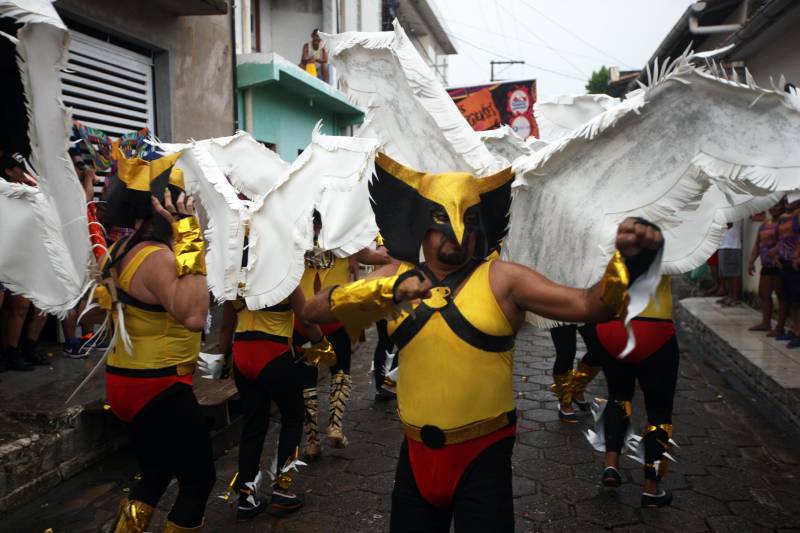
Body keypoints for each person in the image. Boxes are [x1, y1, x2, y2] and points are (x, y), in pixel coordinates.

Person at [303, 153, 664, 531]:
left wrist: (628, 262)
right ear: (420, 223)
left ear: (480, 228)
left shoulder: (504, 279)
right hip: (416, 453)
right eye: (440, 221)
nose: (456, 233)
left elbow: (591, 305)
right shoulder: (395, 275)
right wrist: (387, 291)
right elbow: (313, 311)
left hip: (483, 454)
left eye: (468, 221)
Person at [91, 152, 214, 533]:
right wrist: (190, 235)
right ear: (169, 207)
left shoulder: (120, 252)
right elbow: (194, 317)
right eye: (187, 203)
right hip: (158, 387)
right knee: (198, 481)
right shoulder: (158, 257)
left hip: (126, 382)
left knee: (155, 474)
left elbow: (96, 312)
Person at [219, 286, 334, 520]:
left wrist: (223, 360)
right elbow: (307, 319)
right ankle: (282, 490)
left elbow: (225, 326)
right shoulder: (284, 272)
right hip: (274, 354)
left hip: (242, 356)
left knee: (253, 425)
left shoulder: (234, 276)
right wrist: (324, 345)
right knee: (293, 418)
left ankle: (246, 498)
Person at [296, 211, 391, 460]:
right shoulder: (343, 239)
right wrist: (393, 252)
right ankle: (335, 426)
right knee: (341, 370)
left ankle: (312, 441)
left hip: (303, 320)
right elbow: (375, 257)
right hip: (333, 316)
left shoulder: (295, 241)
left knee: (306, 379)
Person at [589, 275, 679, 508]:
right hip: (653, 327)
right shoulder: (666, 240)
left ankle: (611, 464)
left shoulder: (605, 238)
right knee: (659, 410)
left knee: (617, 395)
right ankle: (651, 487)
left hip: (610, 324)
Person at [548, 324, 603, 422]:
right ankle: (565, 401)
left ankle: (577, 389)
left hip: (586, 309)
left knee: (599, 348)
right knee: (566, 353)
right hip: (560, 311)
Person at [748, 203, 786, 336]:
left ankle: (780, 327)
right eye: (772, 206)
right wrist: (751, 261)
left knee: (781, 296)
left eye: (778, 206)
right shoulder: (764, 225)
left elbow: (786, 241)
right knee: (763, 293)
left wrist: (776, 251)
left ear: (783, 207)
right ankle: (765, 323)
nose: (774, 209)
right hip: (766, 265)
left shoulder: (784, 223)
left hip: (779, 264)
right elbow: (757, 245)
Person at [717, 220, 743, 306]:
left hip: (732, 245)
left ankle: (735, 297)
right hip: (724, 244)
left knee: (734, 273)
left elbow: (728, 224)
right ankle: (730, 296)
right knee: (727, 273)